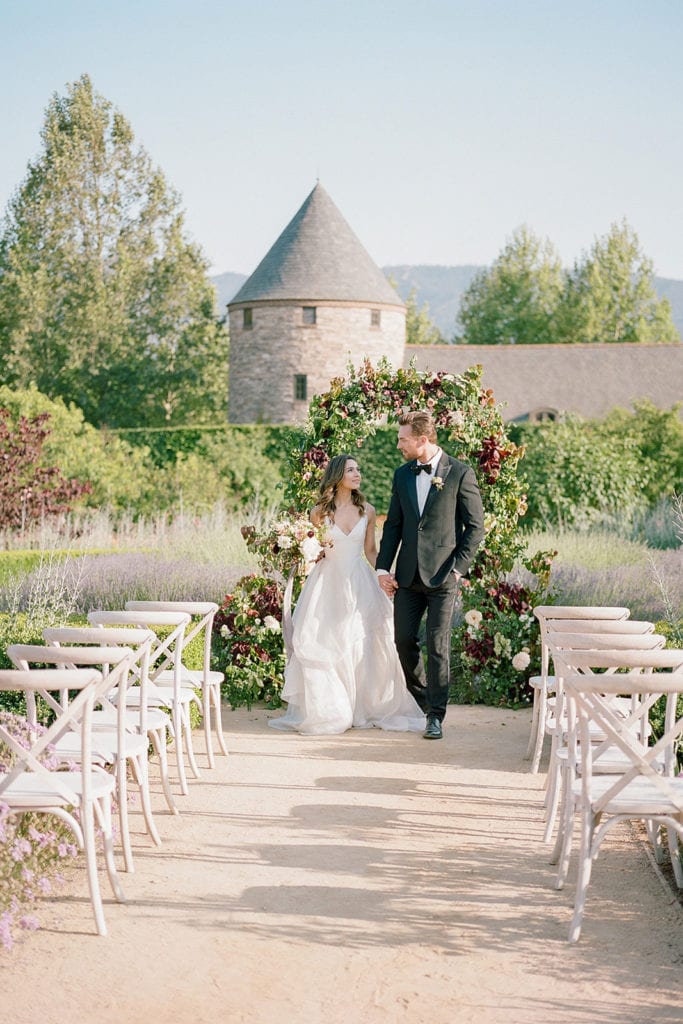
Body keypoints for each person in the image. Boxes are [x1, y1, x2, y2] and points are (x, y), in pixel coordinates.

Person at [268, 454, 426, 735]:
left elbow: (370, 551)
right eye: (351, 469)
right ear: (337, 475)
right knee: (328, 642)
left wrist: (383, 575)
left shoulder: (367, 509)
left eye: (359, 469)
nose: (358, 474)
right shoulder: (319, 513)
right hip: (327, 582)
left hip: (359, 580)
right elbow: (313, 549)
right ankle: (334, 708)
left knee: (362, 642)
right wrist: (300, 553)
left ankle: (362, 706)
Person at [376, 410, 485, 740]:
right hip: (407, 576)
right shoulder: (402, 475)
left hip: (442, 578)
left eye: (403, 439)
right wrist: (382, 568)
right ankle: (423, 701)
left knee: (438, 646)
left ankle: (436, 716)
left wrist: (457, 570)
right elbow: (394, 524)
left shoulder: (460, 474)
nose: (398, 445)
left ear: (422, 440)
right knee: (403, 640)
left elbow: (475, 528)